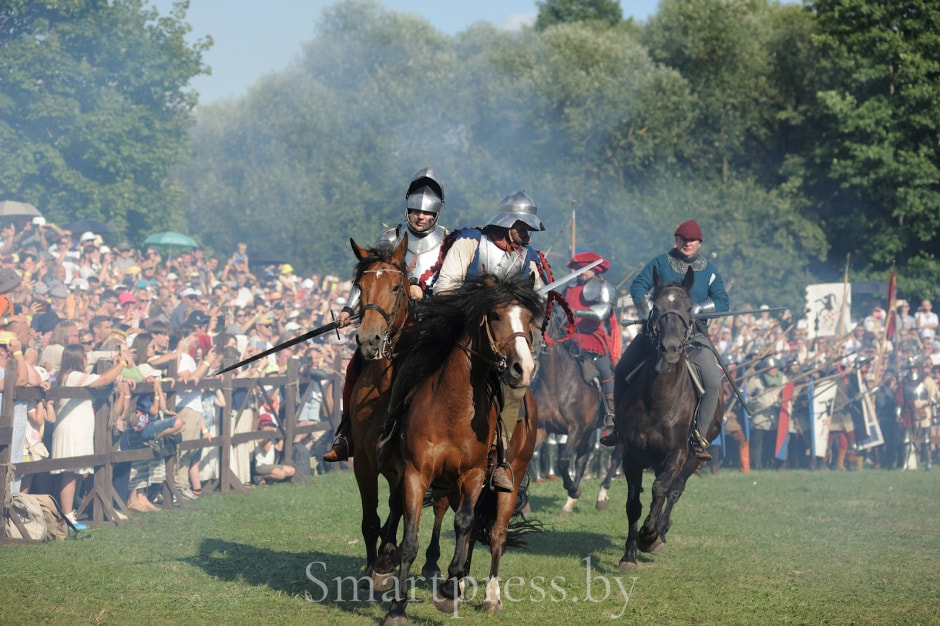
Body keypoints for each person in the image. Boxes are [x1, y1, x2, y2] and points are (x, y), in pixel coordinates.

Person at [324, 167, 448, 463]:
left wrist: (424, 294)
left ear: (436, 214)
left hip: (430, 324)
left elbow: (450, 283)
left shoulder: (448, 243)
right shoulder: (389, 238)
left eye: (426, 213)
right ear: (408, 209)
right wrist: (348, 309)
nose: (420, 217)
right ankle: (346, 433)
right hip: (390, 325)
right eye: (415, 211)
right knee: (356, 365)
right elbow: (368, 277)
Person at [428, 189, 549, 491]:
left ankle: (499, 457)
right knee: (415, 361)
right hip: (458, 333)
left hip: (501, 342)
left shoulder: (529, 259)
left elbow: (539, 302)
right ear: (508, 224)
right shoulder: (470, 243)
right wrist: (478, 304)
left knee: (516, 386)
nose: (528, 234)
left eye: (529, 228)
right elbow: (443, 289)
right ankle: (393, 431)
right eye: (523, 227)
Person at [601, 219, 730, 461]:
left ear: (699, 242)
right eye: (683, 239)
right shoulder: (661, 262)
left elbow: (723, 301)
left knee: (713, 382)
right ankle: (619, 428)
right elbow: (638, 287)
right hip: (656, 335)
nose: (687, 244)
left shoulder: (710, 271)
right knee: (622, 370)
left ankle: (699, 439)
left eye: (692, 240)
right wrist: (651, 309)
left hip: (694, 337)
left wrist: (699, 309)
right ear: (676, 240)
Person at [51, 343, 133, 528]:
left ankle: (68, 514)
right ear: (77, 358)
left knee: (76, 473)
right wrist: (122, 363)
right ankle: (67, 516)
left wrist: (116, 362)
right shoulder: (72, 376)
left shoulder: (73, 375)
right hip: (71, 430)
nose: (87, 359)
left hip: (78, 429)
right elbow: (103, 379)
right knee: (69, 473)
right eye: (84, 356)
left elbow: (103, 373)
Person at [562, 251, 621, 429]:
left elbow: (603, 312)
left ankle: (611, 412)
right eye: (578, 268)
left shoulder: (604, 287)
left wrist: (576, 312)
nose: (582, 272)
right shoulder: (569, 287)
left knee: (605, 371)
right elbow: (559, 307)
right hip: (567, 335)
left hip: (592, 337)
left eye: (586, 269)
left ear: (596, 269)